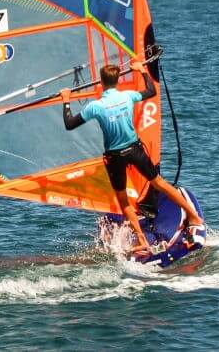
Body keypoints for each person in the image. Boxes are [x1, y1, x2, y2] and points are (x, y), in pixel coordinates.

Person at [60, 60, 204, 254]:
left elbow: (69, 124)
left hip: (115, 157)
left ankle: (142, 240)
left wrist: (66, 100)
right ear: (118, 80)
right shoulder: (128, 96)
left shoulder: (95, 106)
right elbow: (151, 91)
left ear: (101, 83)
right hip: (135, 150)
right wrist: (142, 71)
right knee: (160, 183)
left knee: (123, 200)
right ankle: (194, 217)